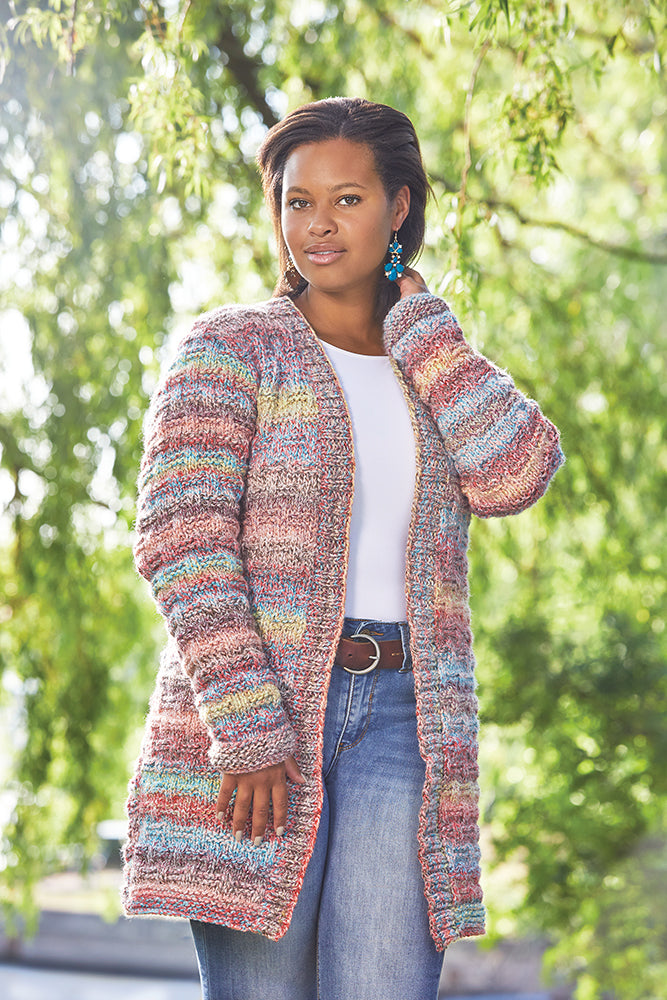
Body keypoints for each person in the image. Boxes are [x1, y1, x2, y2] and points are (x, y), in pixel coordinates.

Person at [121, 97, 564, 1000]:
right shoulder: (228, 347)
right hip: (261, 717)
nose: (317, 225)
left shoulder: (428, 363)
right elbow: (182, 540)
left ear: (397, 206)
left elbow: (515, 473)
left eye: (347, 200)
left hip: (407, 722)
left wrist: (423, 327)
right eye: (298, 202)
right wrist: (247, 724)